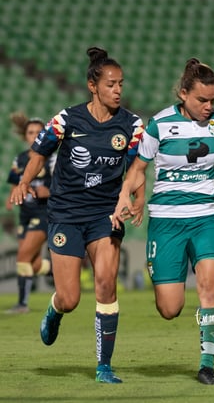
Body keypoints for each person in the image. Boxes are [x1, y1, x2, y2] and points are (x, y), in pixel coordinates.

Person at [10, 47, 145, 384]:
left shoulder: (132, 124)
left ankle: (103, 366)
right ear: (92, 86)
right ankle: (55, 310)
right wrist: (24, 183)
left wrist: (136, 198)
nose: (118, 90)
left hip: (105, 214)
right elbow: (39, 153)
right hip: (66, 213)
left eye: (121, 84)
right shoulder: (67, 120)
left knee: (105, 283)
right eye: (111, 84)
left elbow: (138, 167)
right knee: (70, 298)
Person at [112, 58, 214, 385]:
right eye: (201, 100)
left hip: (206, 216)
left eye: (212, 100)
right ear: (183, 94)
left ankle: (207, 365)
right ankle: (171, 282)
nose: (209, 107)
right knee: (169, 308)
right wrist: (128, 196)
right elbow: (137, 168)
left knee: (209, 283)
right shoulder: (159, 124)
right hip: (166, 222)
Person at [4, 113, 55, 314]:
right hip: (24, 215)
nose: (34, 136)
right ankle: (56, 270)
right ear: (25, 136)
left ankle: (22, 304)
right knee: (31, 262)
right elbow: (15, 183)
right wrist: (11, 198)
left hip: (44, 214)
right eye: (30, 132)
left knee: (23, 257)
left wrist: (49, 192)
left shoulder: (52, 159)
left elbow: (67, 186)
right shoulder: (21, 159)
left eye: (38, 132)